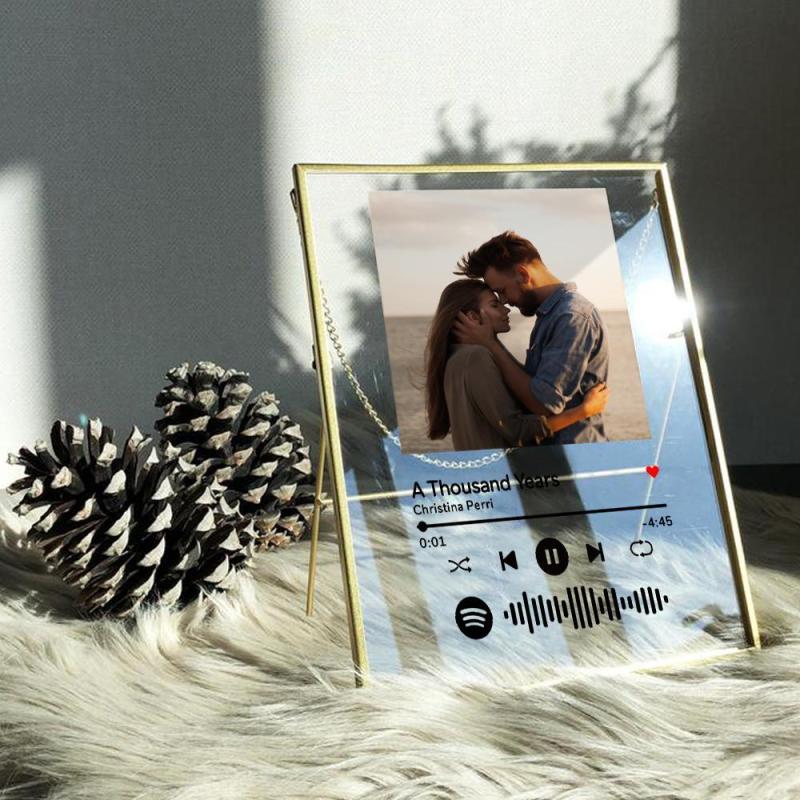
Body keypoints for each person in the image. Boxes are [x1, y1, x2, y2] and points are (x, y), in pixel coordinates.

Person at [453, 231, 609, 444]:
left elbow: (543, 404)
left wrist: (490, 343)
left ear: (523, 274)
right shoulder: (550, 315)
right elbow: (535, 386)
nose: (504, 301)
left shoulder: (571, 317)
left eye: (502, 291)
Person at [425, 280, 609, 451]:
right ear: (473, 317)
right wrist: (583, 411)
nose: (506, 309)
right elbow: (517, 431)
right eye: (494, 305)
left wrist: (491, 342)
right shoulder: (476, 357)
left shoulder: (456, 357)